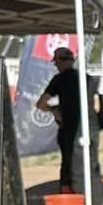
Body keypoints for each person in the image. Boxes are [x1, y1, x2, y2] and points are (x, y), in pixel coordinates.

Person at [34, 46, 86, 192]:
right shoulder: (85, 78)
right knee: (84, 161)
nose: (56, 66)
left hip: (67, 128)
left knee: (68, 162)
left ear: (61, 62)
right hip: (86, 127)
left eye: (56, 62)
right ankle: (83, 191)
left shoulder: (59, 80)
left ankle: (67, 191)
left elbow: (41, 103)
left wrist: (54, 110)